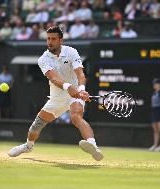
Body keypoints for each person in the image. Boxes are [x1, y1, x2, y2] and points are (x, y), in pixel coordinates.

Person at [8, 26, 103, 161]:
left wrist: (81, 89)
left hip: (75, 93)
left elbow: (81, 74)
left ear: (60, 40)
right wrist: (68, 86)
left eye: (53, 39)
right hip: (57, 97)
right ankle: (28, 146)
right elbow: (53, 78)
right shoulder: (43, 59)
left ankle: (93, 147)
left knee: (76, 116)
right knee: (36, 125)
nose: (49, 42)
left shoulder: (71, 52)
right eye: (48, 39)